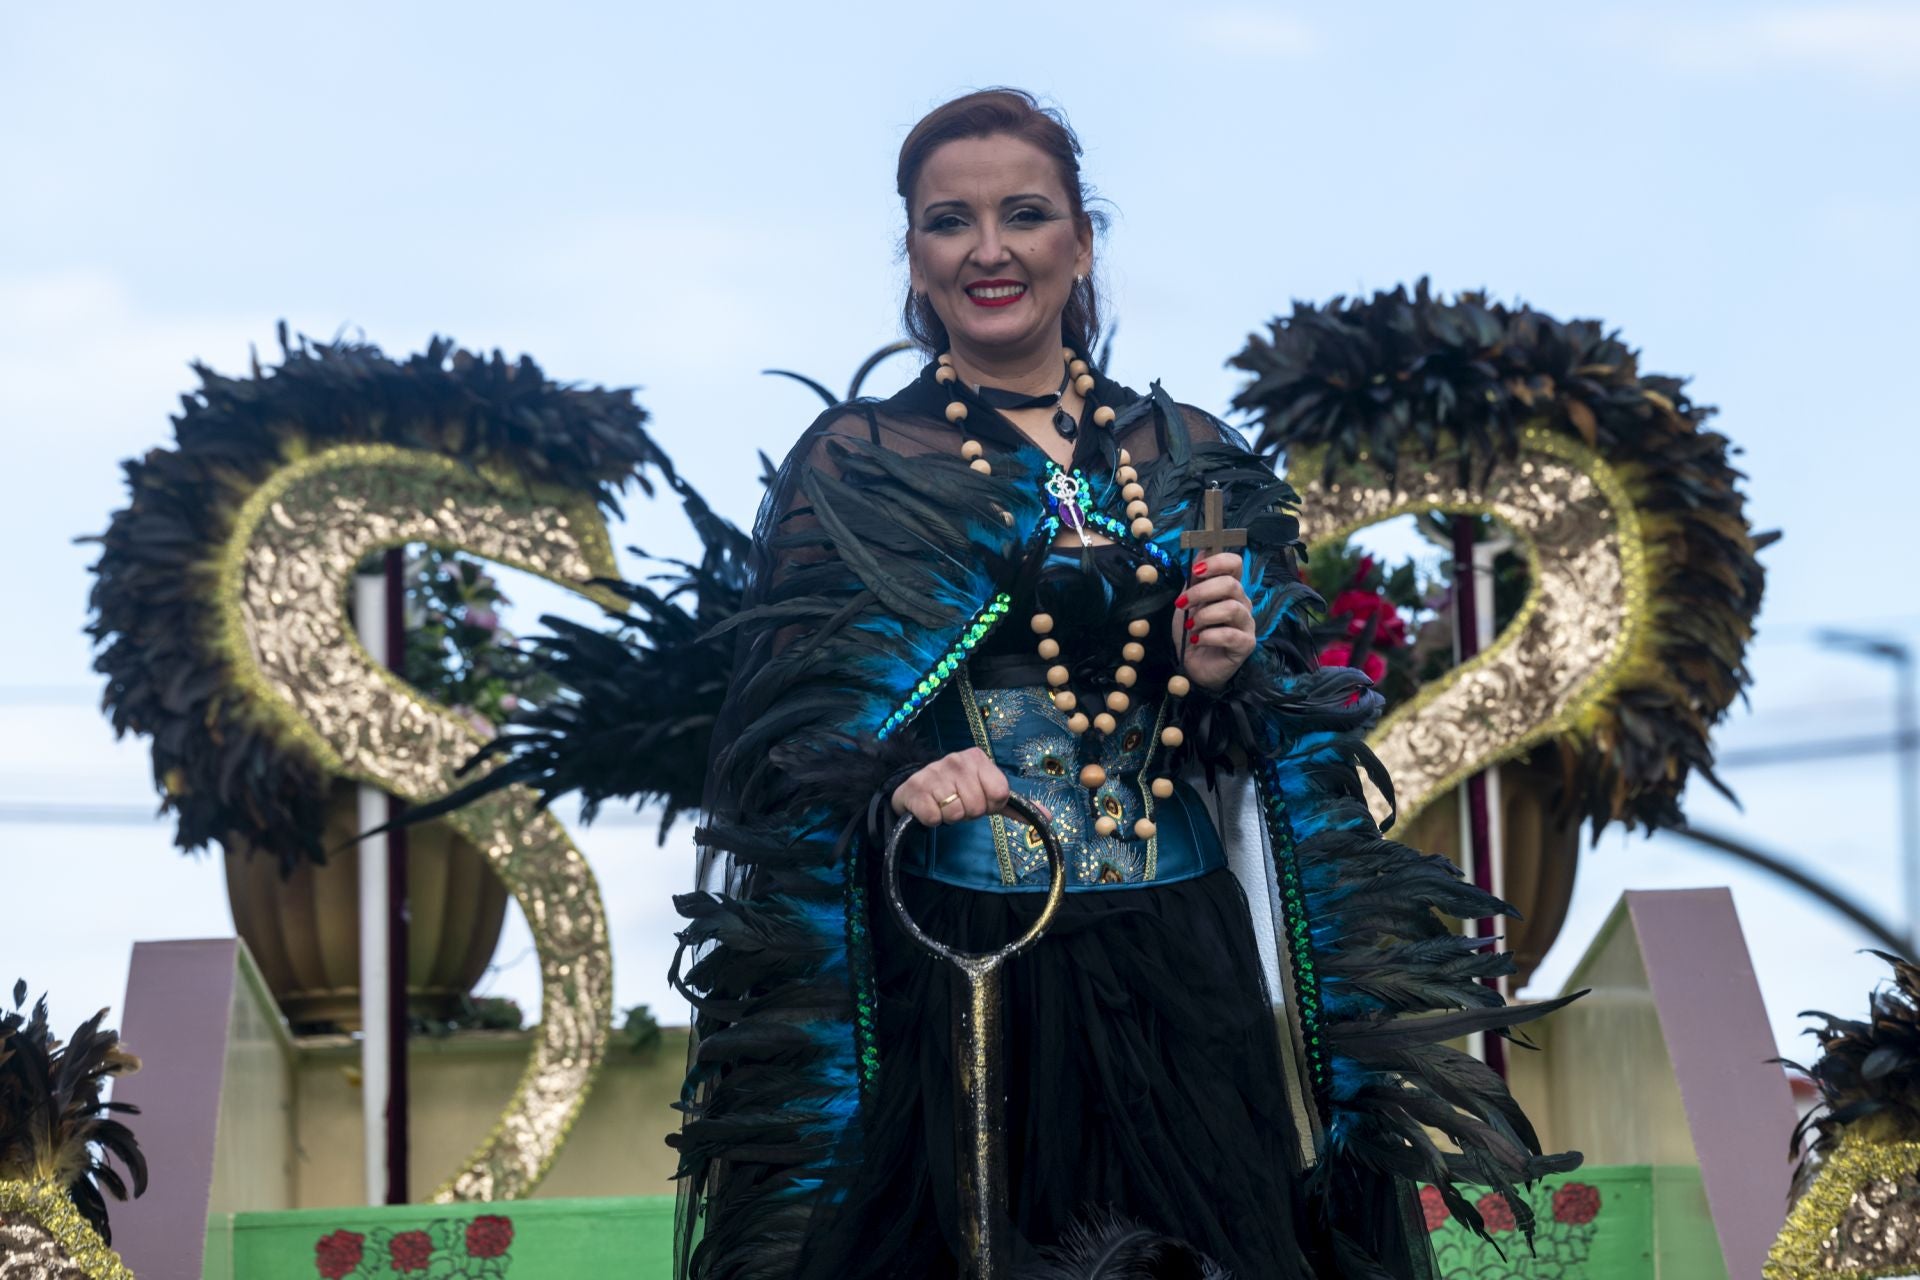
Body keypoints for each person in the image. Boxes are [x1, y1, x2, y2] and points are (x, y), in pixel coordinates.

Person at [668, 87, 1576, 1280]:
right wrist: (904, 767)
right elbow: (791, 747)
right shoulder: (859, 462)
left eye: (1024, 213)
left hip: (1180, 954)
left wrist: (1227, 673)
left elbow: (1284, 747)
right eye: (950, 221)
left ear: (1081, 241)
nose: (989, 249)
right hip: (974, 960)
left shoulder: (1189, 450)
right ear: (915, 255)